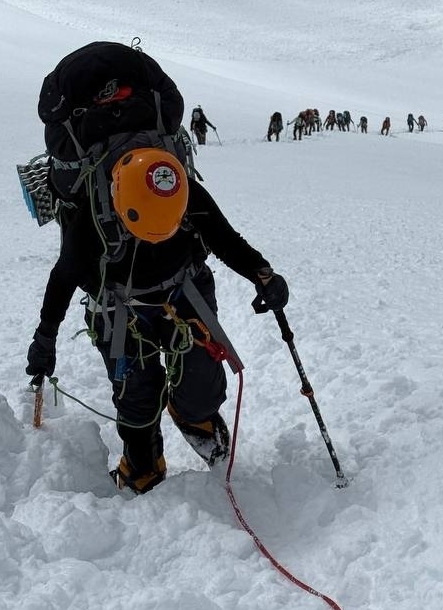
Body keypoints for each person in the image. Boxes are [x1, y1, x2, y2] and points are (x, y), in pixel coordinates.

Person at [25, 147, 288, 494]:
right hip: (119, 306)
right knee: (136, 392)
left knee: (201, 379)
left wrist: (263, 274)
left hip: (184, 289)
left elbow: (223, 238)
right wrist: (44, 338)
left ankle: (195, 416)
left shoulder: (183, 190)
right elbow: (64, 277)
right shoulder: (93, 215)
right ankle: (143, 463)